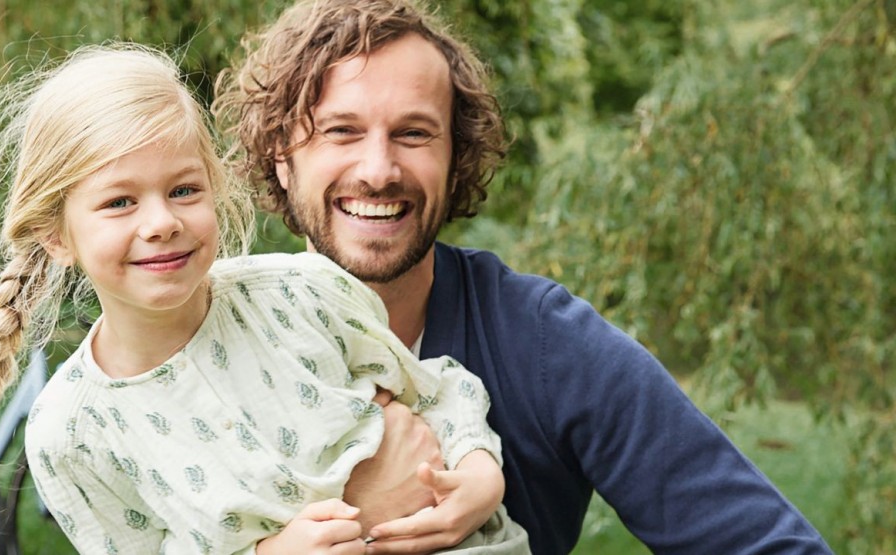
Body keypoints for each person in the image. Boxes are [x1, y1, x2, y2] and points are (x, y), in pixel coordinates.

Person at [213, 0, 832, 553]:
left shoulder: (544, 346)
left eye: (414, 133)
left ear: (456, 161)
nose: (379, 169)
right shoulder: (194, 338)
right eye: (341, 131)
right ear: (281, 156)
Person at [0, 43, 529, 554]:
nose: (161, 220)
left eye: (185, 190)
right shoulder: (72, 432)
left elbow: (436, 392)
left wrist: (478, 473)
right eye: (119, 201)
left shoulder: (304, 293)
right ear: (57, 233)